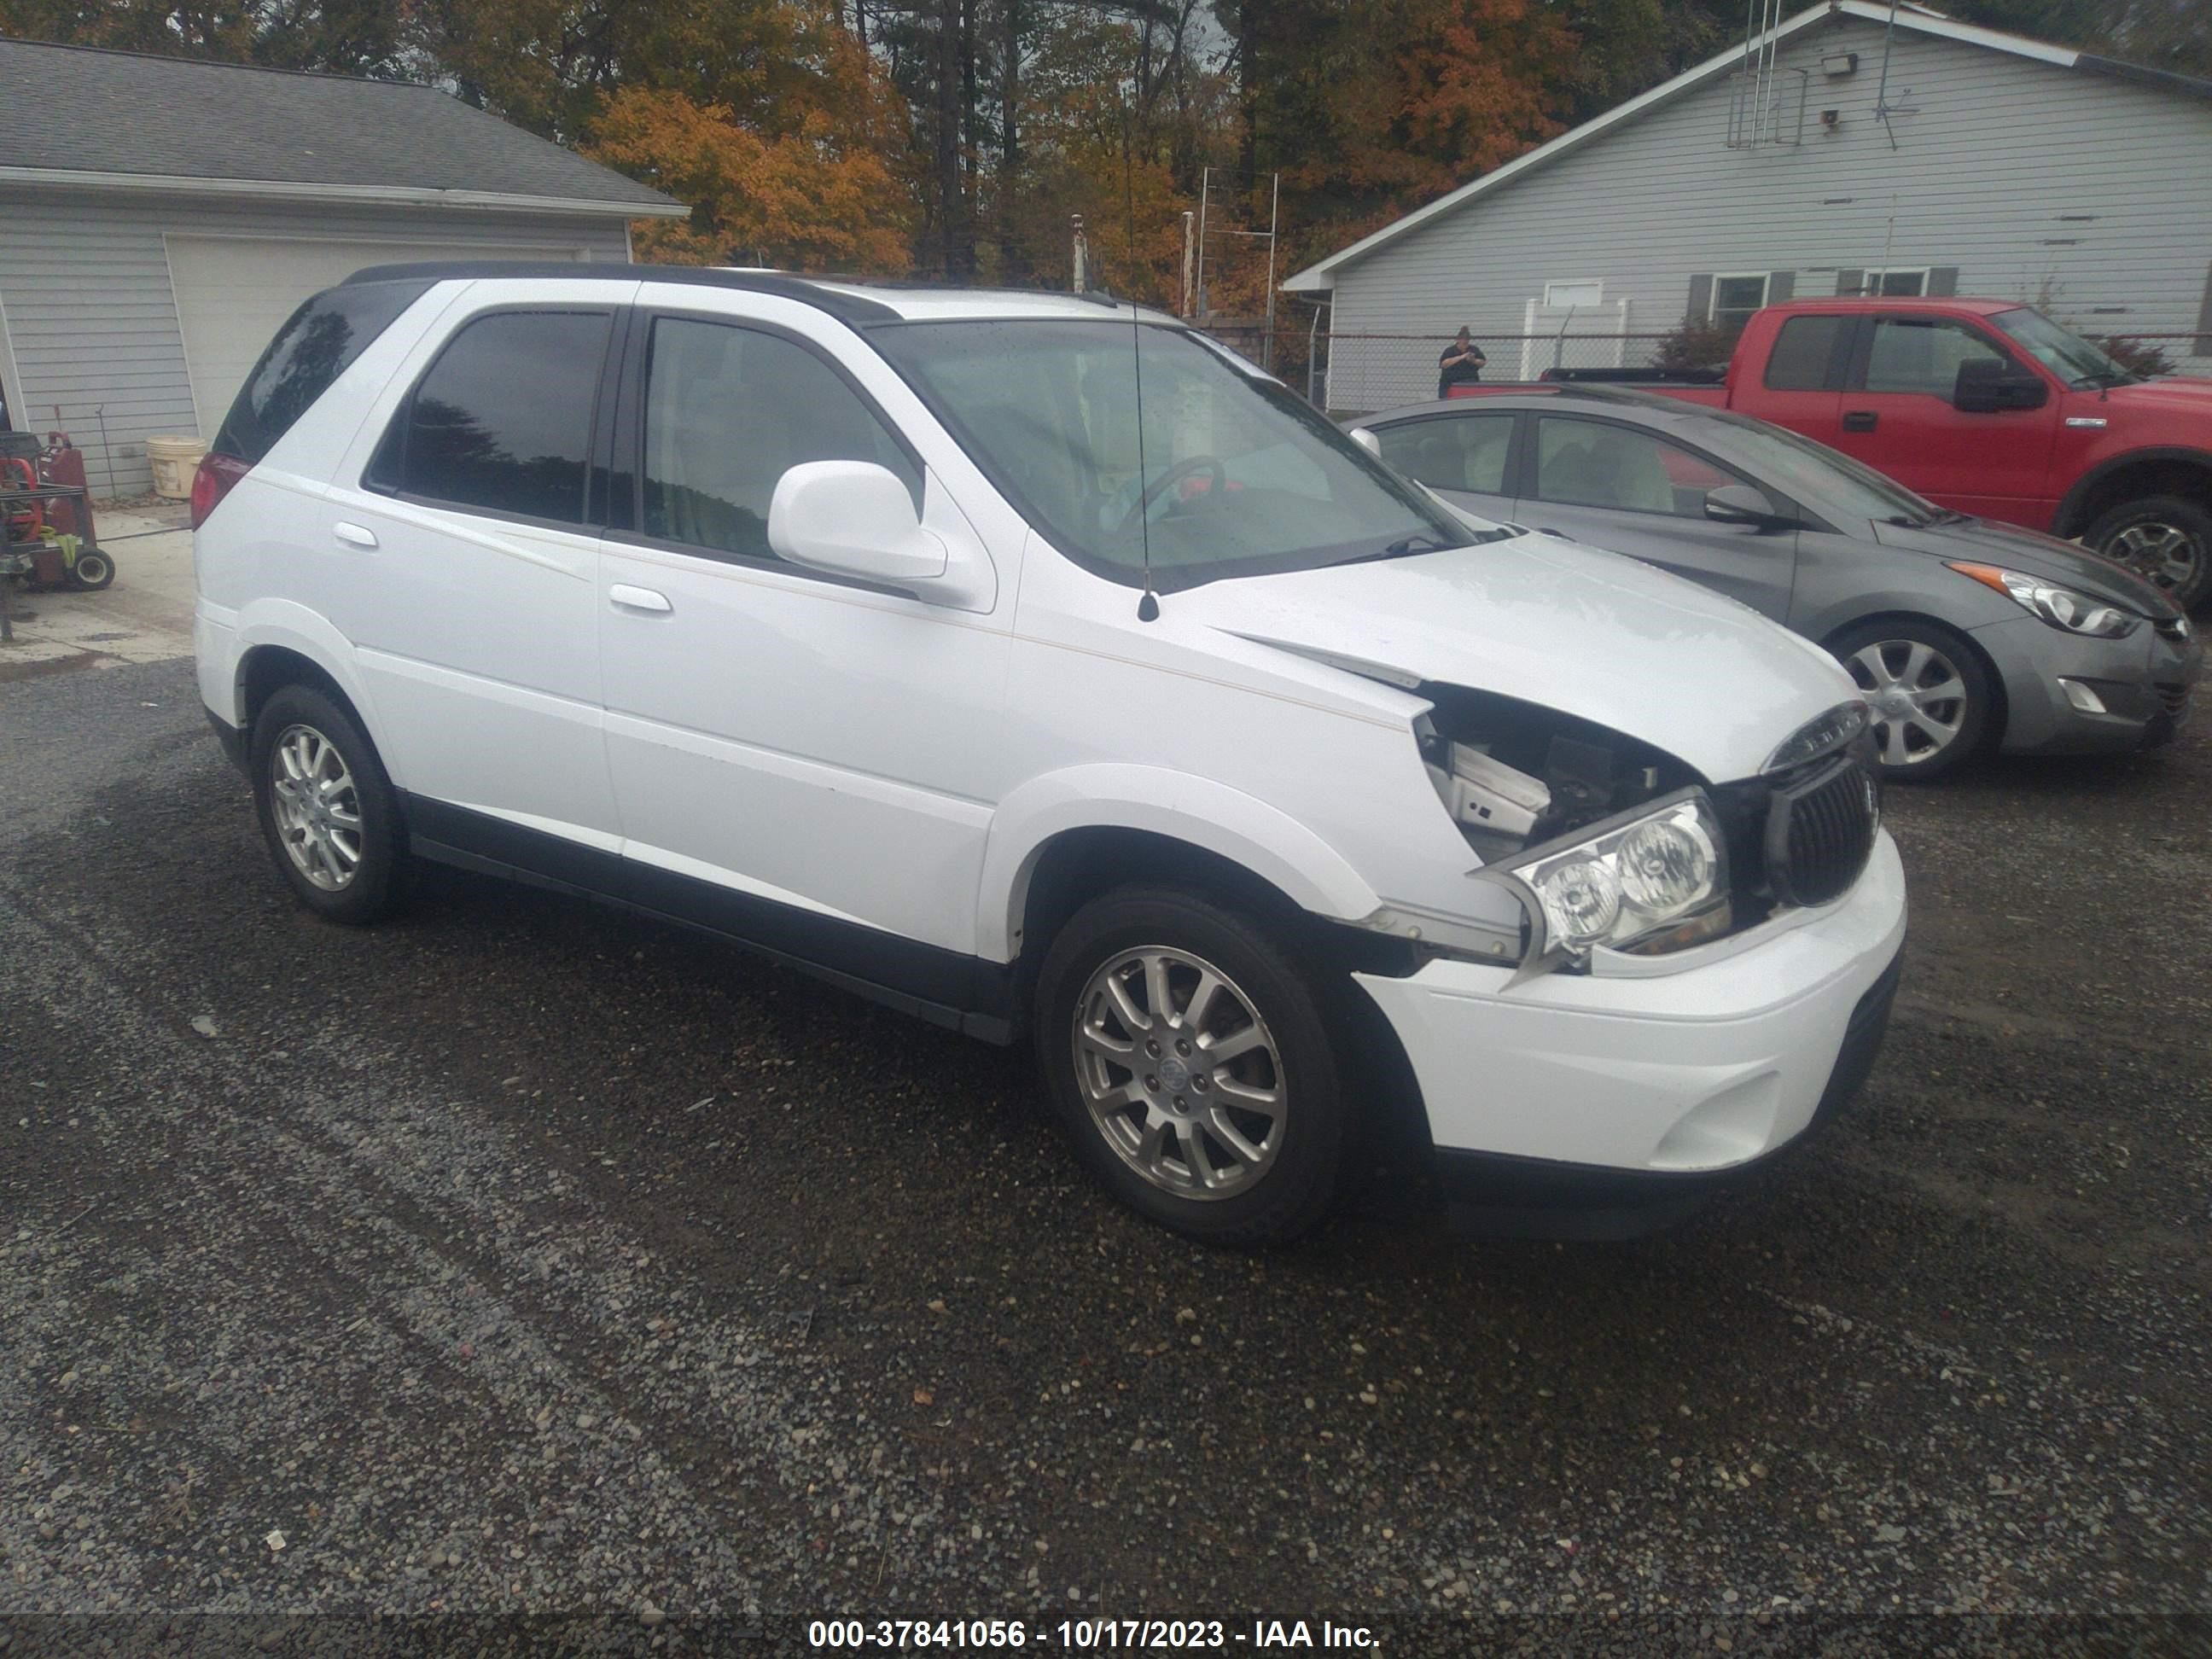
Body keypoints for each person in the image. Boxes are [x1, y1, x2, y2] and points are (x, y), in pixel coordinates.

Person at [1437, 327, 1487, 398]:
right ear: (1458, 340)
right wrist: (1461, 357)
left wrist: (1473, 360)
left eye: (1466, 340)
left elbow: (1482, 363)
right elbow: (1444, 364)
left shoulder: (1474, 350)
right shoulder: (1450, 351)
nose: (1464, 342)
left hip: (1468, 380)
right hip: (1449, 382)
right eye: (1462, 340)